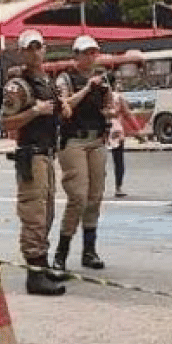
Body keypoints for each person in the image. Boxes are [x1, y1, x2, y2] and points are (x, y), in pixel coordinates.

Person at [0, 29, 65, 296]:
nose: (35, 52)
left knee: (47, 212)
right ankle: (35, 274)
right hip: (31, 154)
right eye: (29, 48)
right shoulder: (19, 86)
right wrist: (34, 111)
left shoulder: (47, 82)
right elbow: (6, 122)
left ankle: (43, 264)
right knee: (34, 214)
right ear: (22, 52)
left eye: (39, 47)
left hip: (48, 154)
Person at [53, 35, 111, 273]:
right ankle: (61, 252)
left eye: (93, 52)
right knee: (78, 196)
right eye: (86, 53)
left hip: (96, 139)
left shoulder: (103, 79)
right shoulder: (66, 79)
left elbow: (109, 106)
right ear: (75, 56)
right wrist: (88, 88)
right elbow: (64, 107)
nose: (90, 57)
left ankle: (89, 250)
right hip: (73, 140)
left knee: (95, 196)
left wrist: (110, 108)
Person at [106, 76, 138, 198]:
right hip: (115, 130)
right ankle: (118, 188)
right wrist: (137, 130)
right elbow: (128, 114)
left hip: (99, 129)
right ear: (114, 84)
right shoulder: (118, 97)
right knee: (118, 160)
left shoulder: (98, 97)